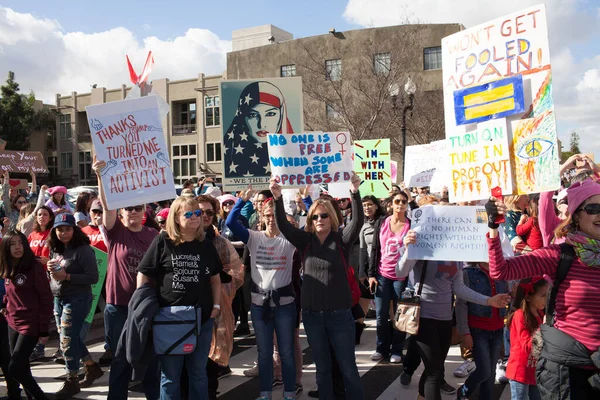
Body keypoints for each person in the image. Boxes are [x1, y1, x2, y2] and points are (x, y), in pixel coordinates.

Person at [485, 179, 600, 399]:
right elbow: (500, 271)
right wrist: (493, 226)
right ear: (576, 215)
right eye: (593, 209)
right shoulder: (560, 255)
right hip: (566, 373)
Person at [271, 174, 365, 400]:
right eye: (314, 217)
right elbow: (283, 225)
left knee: (348, 369)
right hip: (313, 317)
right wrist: (277, 198)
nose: (319, 219)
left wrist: (354, 192)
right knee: (322, 370)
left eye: (323, 215)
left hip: (340, 316)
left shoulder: (342, 239)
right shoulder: (305, 242)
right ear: (310, 221)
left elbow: (358, 221)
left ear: (332, 218)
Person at [397, 230, 510, 400]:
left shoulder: (455, 254)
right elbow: (400, 272)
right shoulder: (421, 247)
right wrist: (408, 250)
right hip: (424, 317)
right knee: (435, 373)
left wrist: (489, 301)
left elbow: (459, 288)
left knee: (433, 368)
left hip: (445, 319)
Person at [137, 196, 222, 400]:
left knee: (198, 373)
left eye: (197, 213)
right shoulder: (162, 241)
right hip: (169, 319)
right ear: (175, 218)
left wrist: (216, 306)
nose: (195, 218)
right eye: (189, 214)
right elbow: (144, 273)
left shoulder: (206, 244)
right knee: (170, 376)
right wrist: (143, 306)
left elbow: (215, 279)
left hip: (201, 318)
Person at [92, 156, 160, 400]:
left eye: (138, 208)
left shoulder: (154, 234)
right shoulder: (115, 231)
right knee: (120, 358)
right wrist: (101, 176)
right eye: (128, 208)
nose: (133, 212)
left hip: (146, 306)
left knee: (151, 358)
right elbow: (107, 206)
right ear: (121, 212)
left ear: (144, 211)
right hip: (118, 307)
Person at [226, 189, 298, 400]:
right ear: (261, 217)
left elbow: (307, 228)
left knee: (286, 353)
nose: (271, 220)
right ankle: (265, 394)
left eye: (275, 216)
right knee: (264, 354)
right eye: (267, 215)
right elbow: (230, 223)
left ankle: (289, 393)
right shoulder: (254, 238)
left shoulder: (289, 239)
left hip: (285, 304)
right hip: (259, 305)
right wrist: (242, 200)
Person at [47, 213, 101, 398]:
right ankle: (92, 367)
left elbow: (93, 277)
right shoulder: (55, 248)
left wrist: (67, 276)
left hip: (77, 299)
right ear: (54, 231)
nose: (64, 233)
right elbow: (55, 273)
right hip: (58, 298)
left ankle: (72, 380)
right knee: (69, 338)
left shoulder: (84, 250)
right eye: (60, 229)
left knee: (67, 341)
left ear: (74, 229)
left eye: (68, 228)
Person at [0, 230, 53, 400]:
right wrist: (4, 304)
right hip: (11, 322)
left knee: (14, 368)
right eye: (13, 244)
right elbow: (9, 292)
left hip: (30, 324)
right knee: (22, 367)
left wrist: (43, 330)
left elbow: (46, 298)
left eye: (20, 242)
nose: (17, 247)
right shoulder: (7, 265)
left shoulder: (34, 266)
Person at [367, 190, 411, 363]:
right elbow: (374, 249)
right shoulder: (382, 222)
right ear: (391, 204)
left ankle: (397, 350)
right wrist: (371, 274)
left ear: (407, 205)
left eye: (404, 202)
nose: (400, 204)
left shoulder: (411, 224)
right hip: (382, 274)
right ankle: (381, 347)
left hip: (401, 277)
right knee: (381, 314)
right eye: (397, 201)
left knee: (400, 315)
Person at [456, 262, 510, 400]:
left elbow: (507, 296)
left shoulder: (502, 271)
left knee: (490, 373)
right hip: (478, 330)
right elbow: (461, 304)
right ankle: (463, 391)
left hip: (497, 329)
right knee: (484, 371)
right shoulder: (468, 273)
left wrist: (512, 294)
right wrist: (465, 332)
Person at [223, 81, 295, 180]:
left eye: (270, 114)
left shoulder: (292, 154)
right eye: (253, 115)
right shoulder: (231, 155)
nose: (261, 124)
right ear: (242, 117)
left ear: (281, 116)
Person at [505, 277, 548, 400]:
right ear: (528, 297)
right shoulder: (519, 315)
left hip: (534, 369)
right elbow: (527, 346)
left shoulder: (540, 314)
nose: (546, 299)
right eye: (543, 295)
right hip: (520, 371)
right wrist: (543, 329)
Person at [27, 205, 55, 361]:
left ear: (50, 217)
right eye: (39, 214)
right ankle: (35, 346)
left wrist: (48, 261)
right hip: (33, 278)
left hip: (48, 278)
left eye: (45, 214)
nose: (41, 217)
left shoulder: (52, 235)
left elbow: (60, 257)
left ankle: (41, 347)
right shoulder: (32, 235)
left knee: (45, 314)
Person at [357, 195, 386, 343]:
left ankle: (387, 339)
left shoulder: (386, 222)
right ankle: (356, 334)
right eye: (364, 206)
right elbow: (362, 249)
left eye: (369, 205)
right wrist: (362, 272)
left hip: (383, 268)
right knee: (363, 301)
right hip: (369, 269)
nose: (367, 208)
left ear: (376, 205)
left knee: (385, 308)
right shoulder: (363, 225)